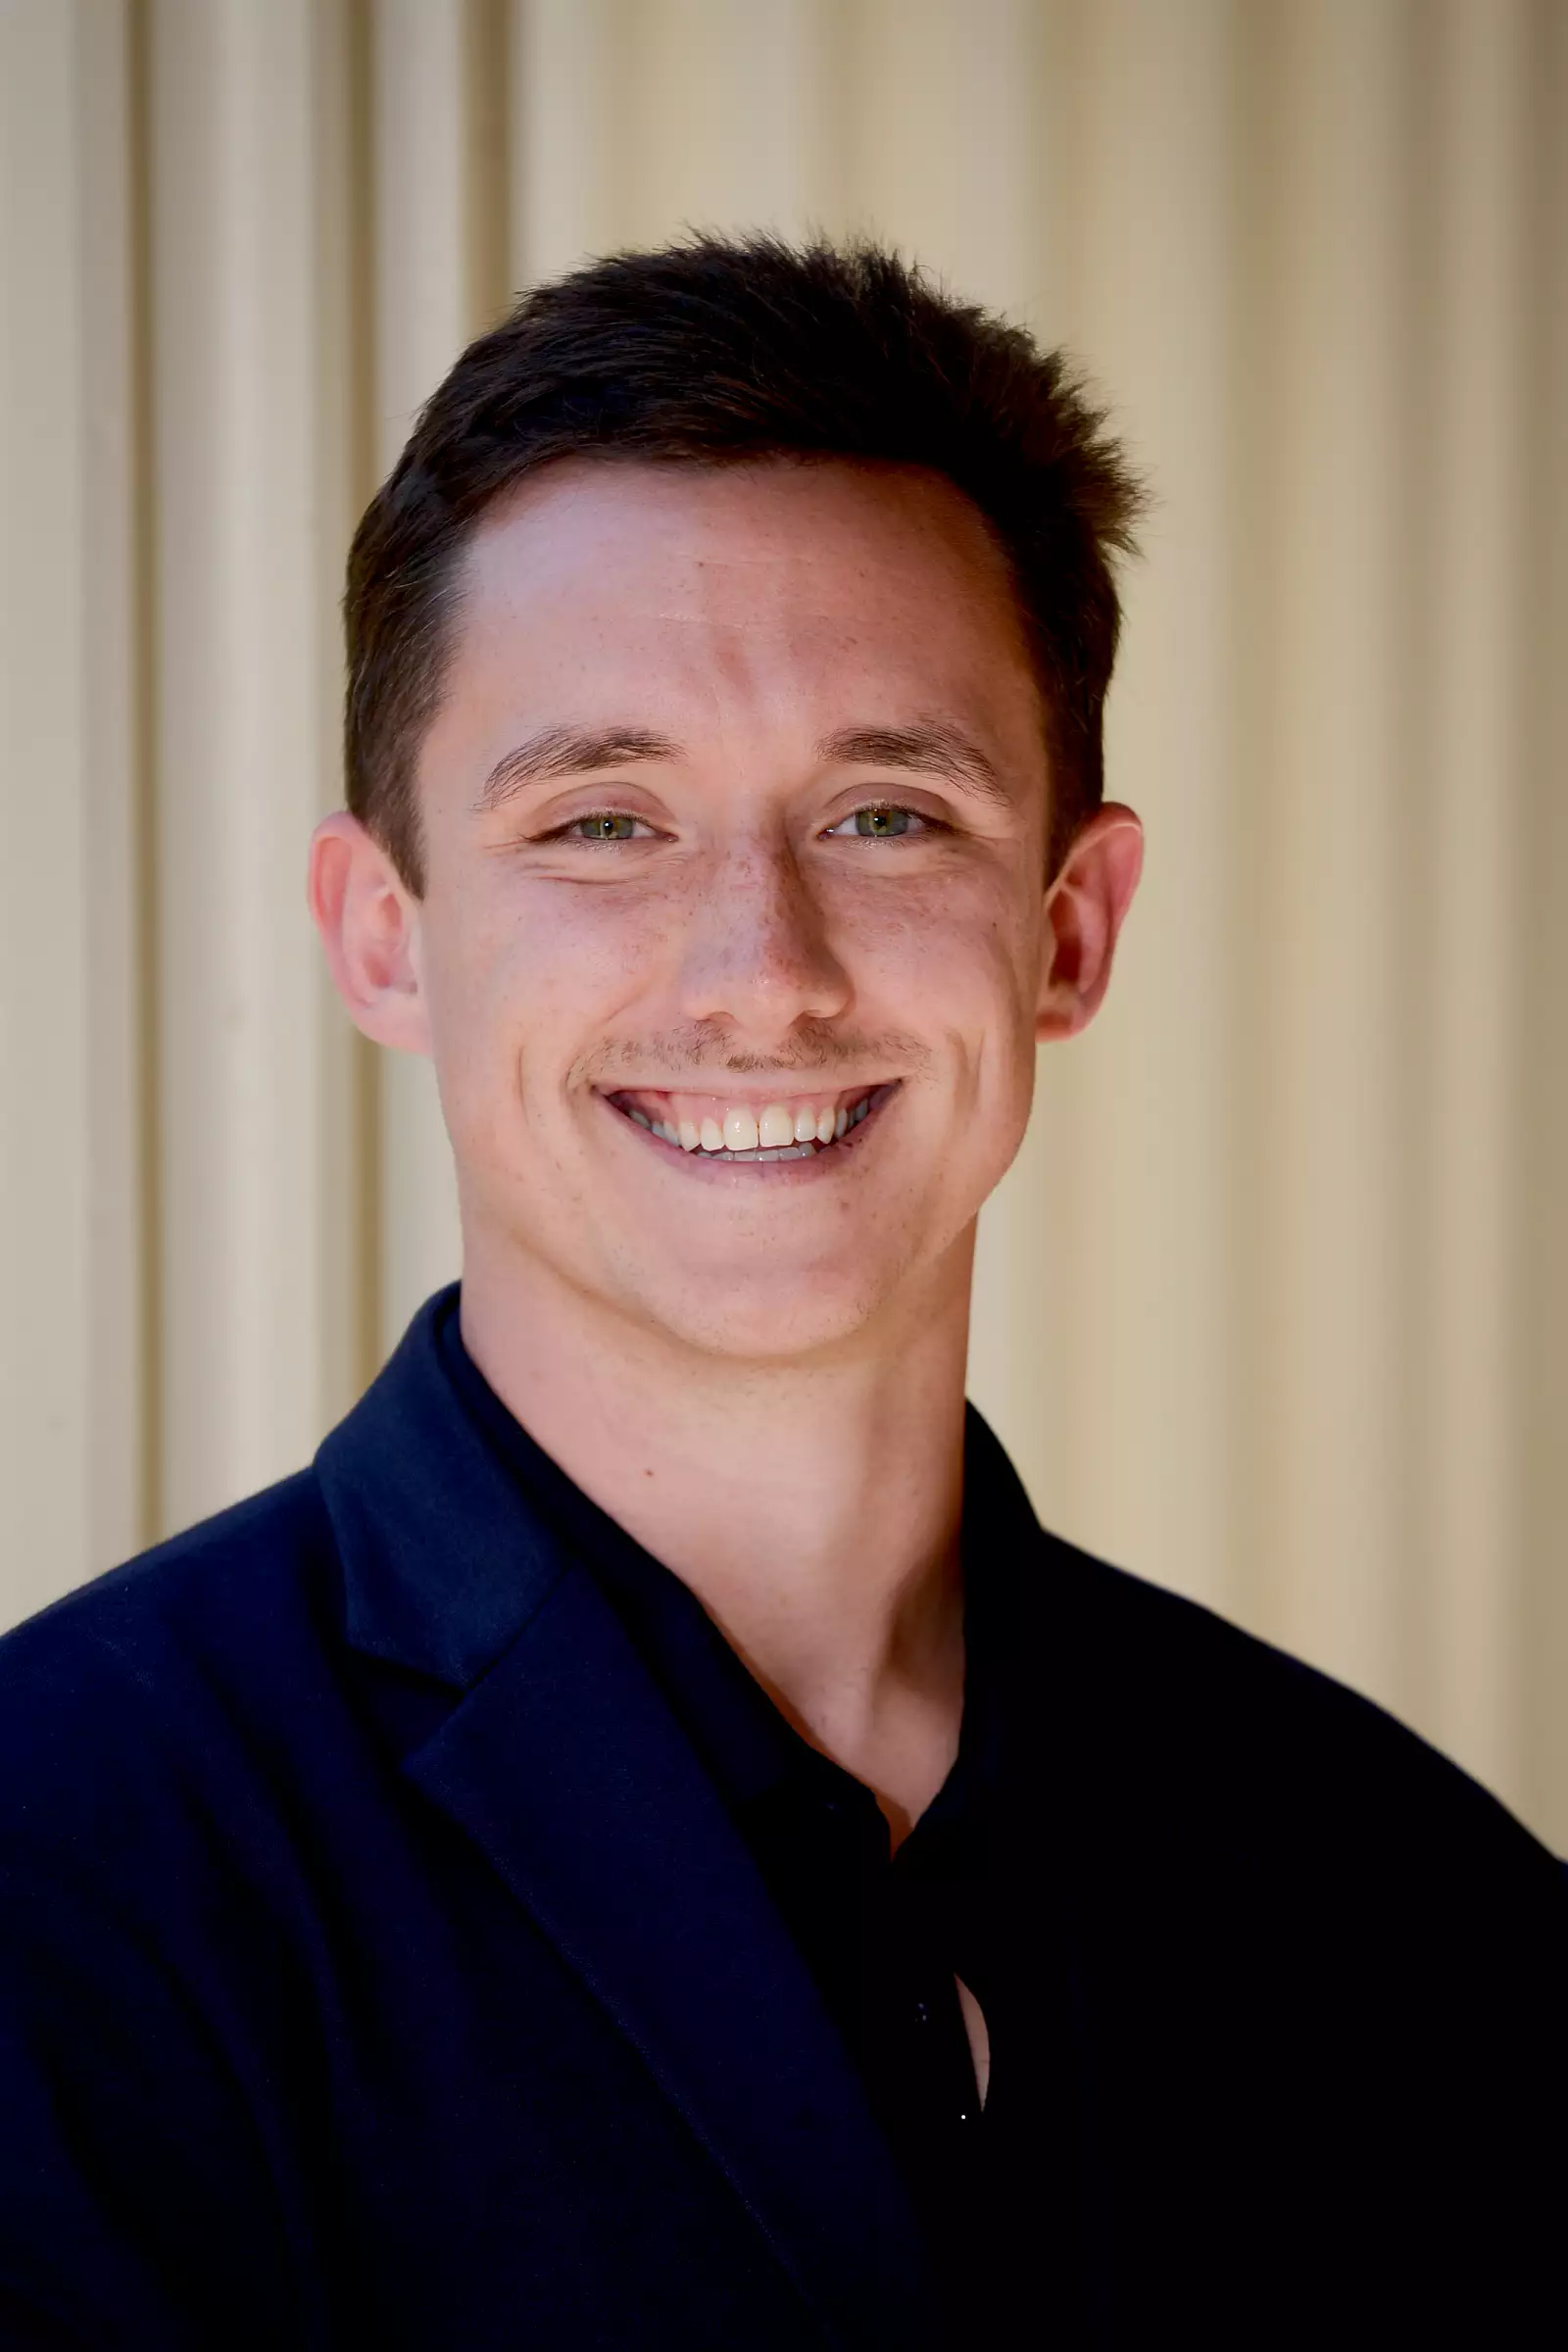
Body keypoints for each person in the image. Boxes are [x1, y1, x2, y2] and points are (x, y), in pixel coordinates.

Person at [0, 236, 1561, 2352]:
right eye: (605, 818)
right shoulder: (68, 1872)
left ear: (1067, 930)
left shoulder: (1405, 1896)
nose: (761, 969)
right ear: (384, 936)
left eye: (887, 813)